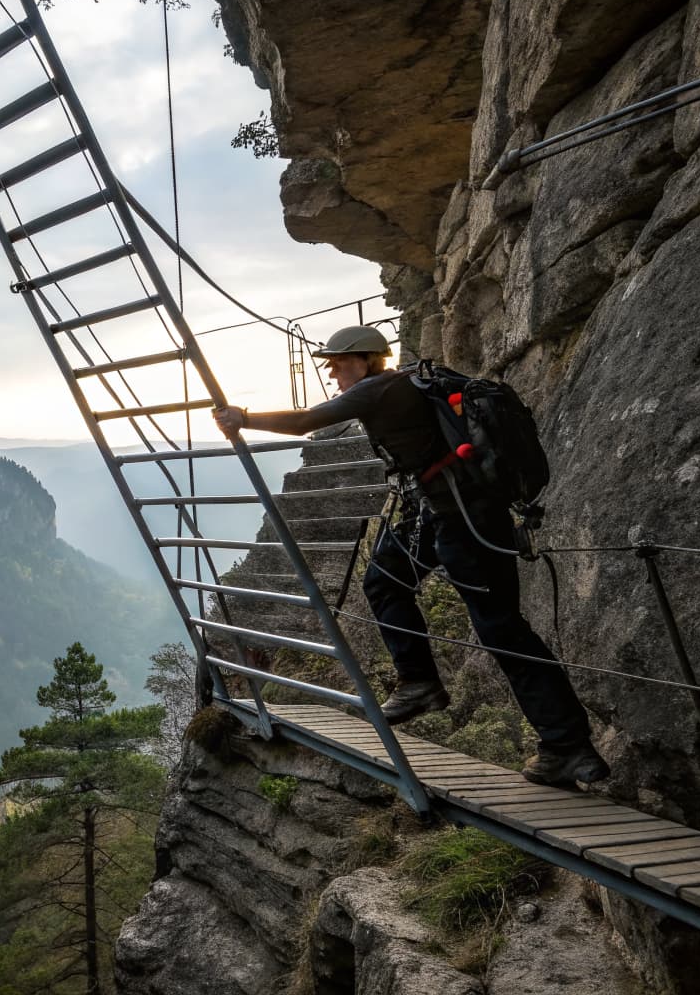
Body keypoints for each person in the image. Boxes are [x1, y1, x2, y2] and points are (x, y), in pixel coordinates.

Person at [212, 325, 608, 788]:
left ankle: (568, 747)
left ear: (362, 360)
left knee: (501, 628)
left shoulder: (378, 389)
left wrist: (242, 416)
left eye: (337, 364)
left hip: (465, 517)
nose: (333, 373)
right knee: (384, 581)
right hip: (439, 511)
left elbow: (306, 421)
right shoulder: (404, 384)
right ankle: (419, 682)